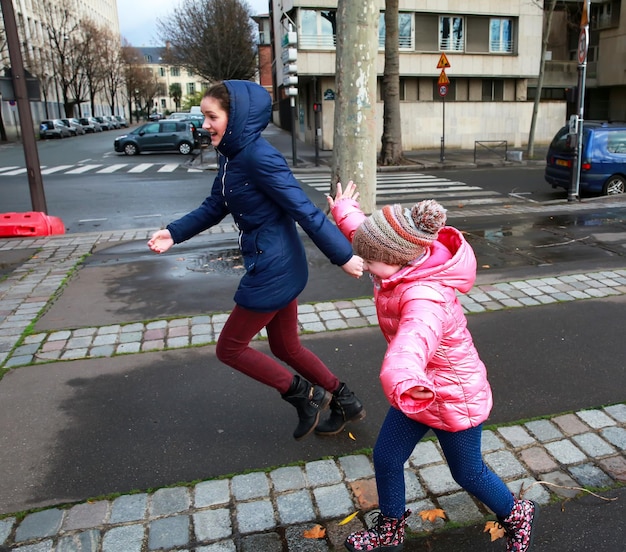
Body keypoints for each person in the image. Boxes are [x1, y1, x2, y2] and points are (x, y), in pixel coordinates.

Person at [147, 80, 366, 440]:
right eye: (204, 117)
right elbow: (215, 205)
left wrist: (343, 256)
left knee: (230, 348)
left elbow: (304, 209)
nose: (204, 125)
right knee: (285, 346)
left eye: (211, 116)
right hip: (275, 262)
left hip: (273, 269)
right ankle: (346, 401)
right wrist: (174, 232)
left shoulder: (258, 157)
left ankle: (306, 395)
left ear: (236, 119)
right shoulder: (232, 155)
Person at [328, 181, 538, 552]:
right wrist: (344, 210)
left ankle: (517, 512)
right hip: (420, 392)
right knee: (387, 456)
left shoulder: (423, 295)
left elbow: (414, 340)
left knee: (468, 473)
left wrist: (405, 377)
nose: (365, 265)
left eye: (370, 260)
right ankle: (390, 528)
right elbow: (368, 237)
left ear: (397, 258)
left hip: (451, 394)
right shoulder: (397, 256)